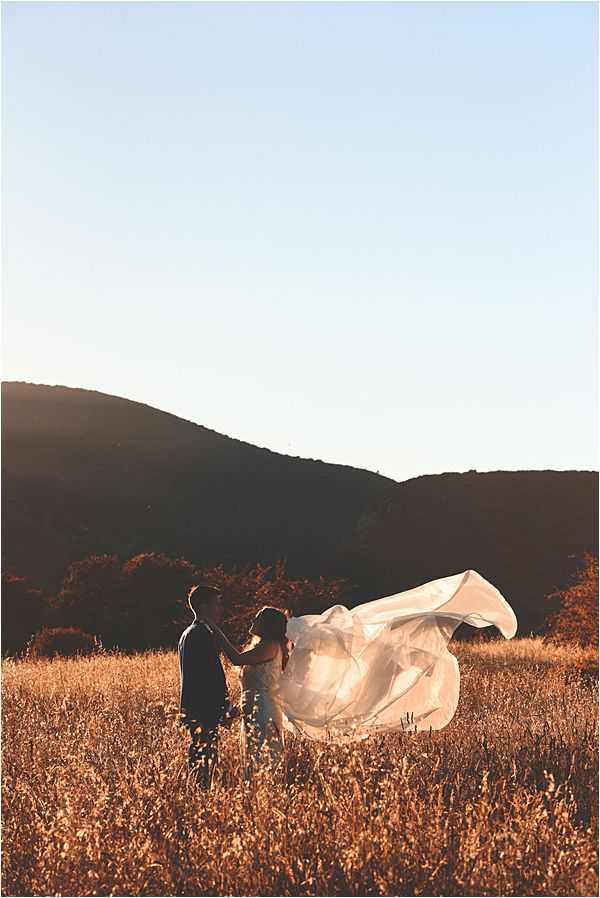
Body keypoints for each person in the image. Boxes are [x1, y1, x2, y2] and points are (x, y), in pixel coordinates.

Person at [206, 606, 288, 781]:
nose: (252, 620)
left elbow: (237, 659)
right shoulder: (261, 645)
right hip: (253, 708)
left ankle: (268, 795)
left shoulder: (271, 645)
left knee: (263, 757)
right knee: (253, 755)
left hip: (264, 709)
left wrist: (216, 630)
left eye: (257, 618)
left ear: (267, 625)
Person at [178, 584, 237, 789]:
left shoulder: (190, 633)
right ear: (204, 606)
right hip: (204, 710)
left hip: (197, 708)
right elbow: (210, 677)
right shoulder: (199, 634)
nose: (221, 609)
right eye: (217, 604)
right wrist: (224, 708)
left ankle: (198, 795)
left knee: (202, 758)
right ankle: (199, 798)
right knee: (204, 762)